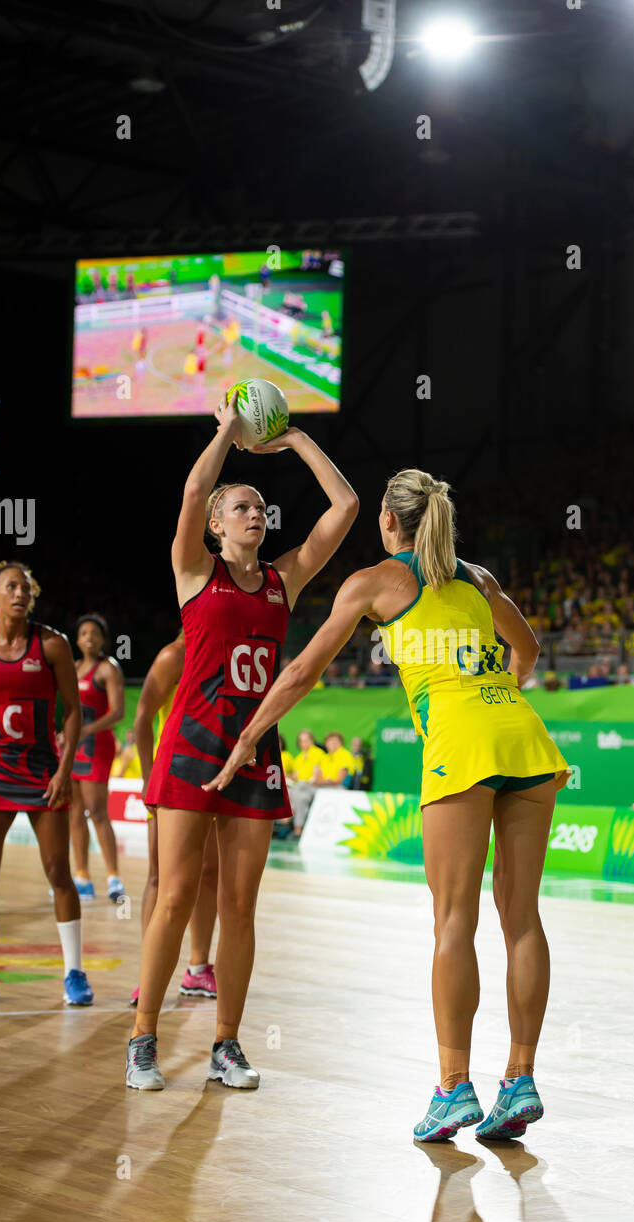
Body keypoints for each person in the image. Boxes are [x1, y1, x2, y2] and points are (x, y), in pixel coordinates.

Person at [203, 469, 569, 1141]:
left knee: (452, 922)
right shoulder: (480, 579)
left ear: (389, 523)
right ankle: (518, 1081)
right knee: (521, 920)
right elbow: (529, 649)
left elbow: (302, 671)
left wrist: (247, 738)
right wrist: (498, 693)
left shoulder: (373, 582)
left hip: (459, 748)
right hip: (523, 739)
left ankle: (454, 1088)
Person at [126, 400, 358, 1090]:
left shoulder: (283, 580)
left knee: (238, 907)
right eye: (240, 508)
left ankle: (226, 1043)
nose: (254, 514)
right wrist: (228, 431)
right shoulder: (195, 570)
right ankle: (143, 1038)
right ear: (215, 527)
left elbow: (344, 507)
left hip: (256, 755)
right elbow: (195, 489)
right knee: (173, 898)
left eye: (259, 507)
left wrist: (293, 440)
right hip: (193, 747)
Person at [0, 562, 93, 1005]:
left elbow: (73, 711)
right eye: (11, 586)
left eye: (26, 587)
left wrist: (64, 768)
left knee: (58, 873)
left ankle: (74, 973)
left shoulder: (51, 644)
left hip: (41, 773)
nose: (20, 593)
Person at [130, 631, 219, 1007]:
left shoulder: (228, 653)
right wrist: (150, 779)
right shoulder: (173, 656)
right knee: (159, 875)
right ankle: (148, 974)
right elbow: (142, 719)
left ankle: (198, 969)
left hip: (216, 775)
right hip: (173, 776)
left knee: (210, 873)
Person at [70, 613, 126, 903]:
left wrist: (86, 730)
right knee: (74, 812)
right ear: (77, 640)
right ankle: (82, 877)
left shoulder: (108, 669)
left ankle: (114, 878)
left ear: (103, 639)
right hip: (74, 747)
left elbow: (118, 712)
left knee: (98, 812)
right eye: (84, 633)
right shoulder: (73, 668)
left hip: (96, 748)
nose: (89, 638)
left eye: (94, 633)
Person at [286, 730, 329, 836]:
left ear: (312, 741)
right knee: (297, 795)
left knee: (300, 788)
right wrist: (285, 775)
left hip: (313, 786)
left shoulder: (319, 753)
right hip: (300, 788)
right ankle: (297, 828)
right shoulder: (299, 757)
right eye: (302, 741)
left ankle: (289, 817)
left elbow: (322, 774)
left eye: (307, 740)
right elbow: (295, 777)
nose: (304, 743)